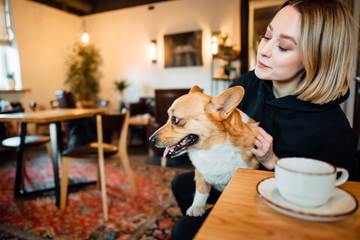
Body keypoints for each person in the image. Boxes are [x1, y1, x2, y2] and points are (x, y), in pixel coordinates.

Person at [170, 0, 359, 239]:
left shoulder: (334, 131)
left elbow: (333, 209)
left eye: (283, 46)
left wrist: (273, 161)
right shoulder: (247, 84)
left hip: (286, 207)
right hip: (238, 179)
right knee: (182, 185)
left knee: (183, 232)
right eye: (266, 36)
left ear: (316, 58)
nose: (264, 50)